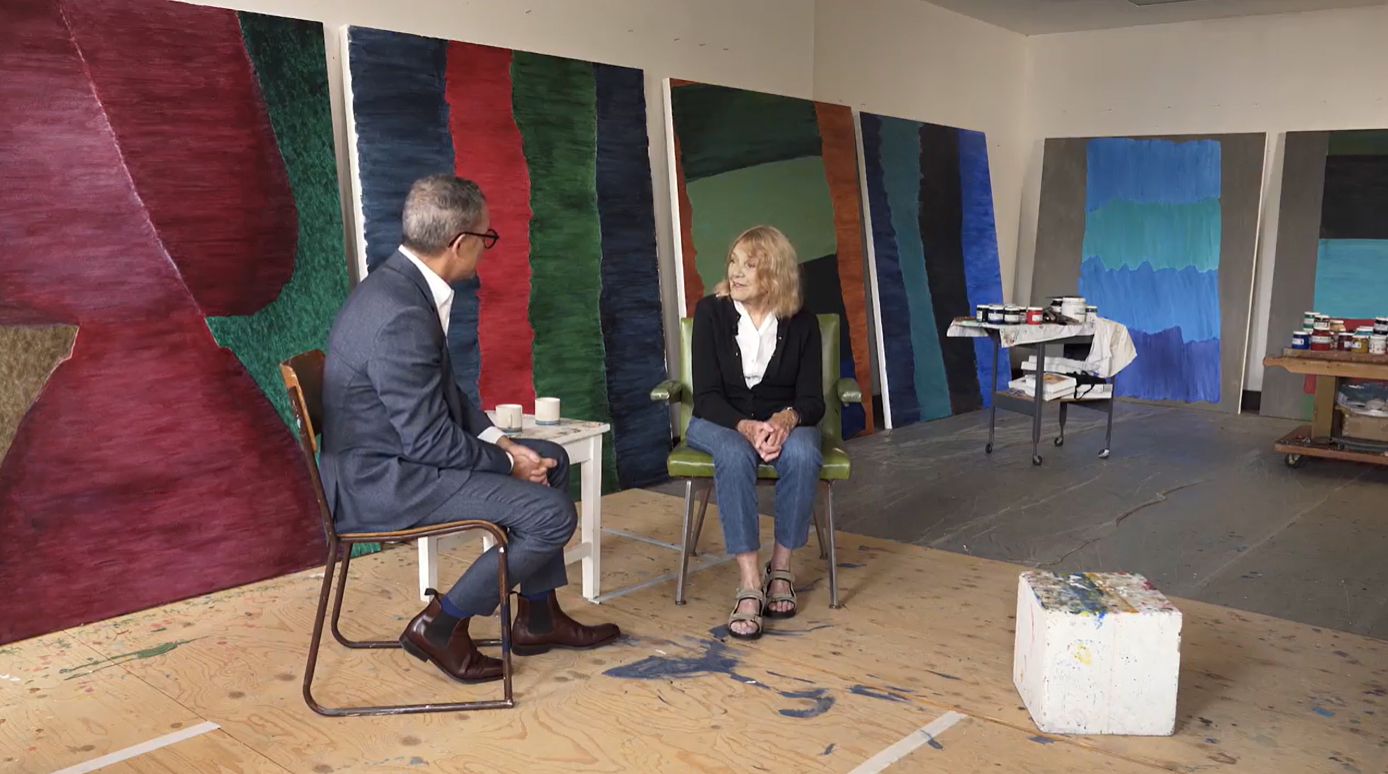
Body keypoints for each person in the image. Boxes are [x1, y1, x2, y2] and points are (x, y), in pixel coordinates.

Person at [319, 174, 619, 684]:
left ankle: (538, 619)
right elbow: (428, 440)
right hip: (381, 482)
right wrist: (508, 464)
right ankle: (441, 625)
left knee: (550, 457)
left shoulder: (399, 286)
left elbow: (447, 394)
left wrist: (505, 443)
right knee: (550, 515)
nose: (486, 246)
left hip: (391, 459)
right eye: (486, 236)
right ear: (460, 244)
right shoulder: (400, 314)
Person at [687, 225, 825, 641]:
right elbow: (706, 397)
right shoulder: (711, 313)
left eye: (749, 265)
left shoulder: (802, 322)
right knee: (733, 454)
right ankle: (749, 582)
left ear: (775, 272)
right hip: (719, 421)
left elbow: (812, 400)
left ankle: (780, 569)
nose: (736, 272)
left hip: (780, 421)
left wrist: (785, 420)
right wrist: (745, 426)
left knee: (803, 453)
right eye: (733, 262)